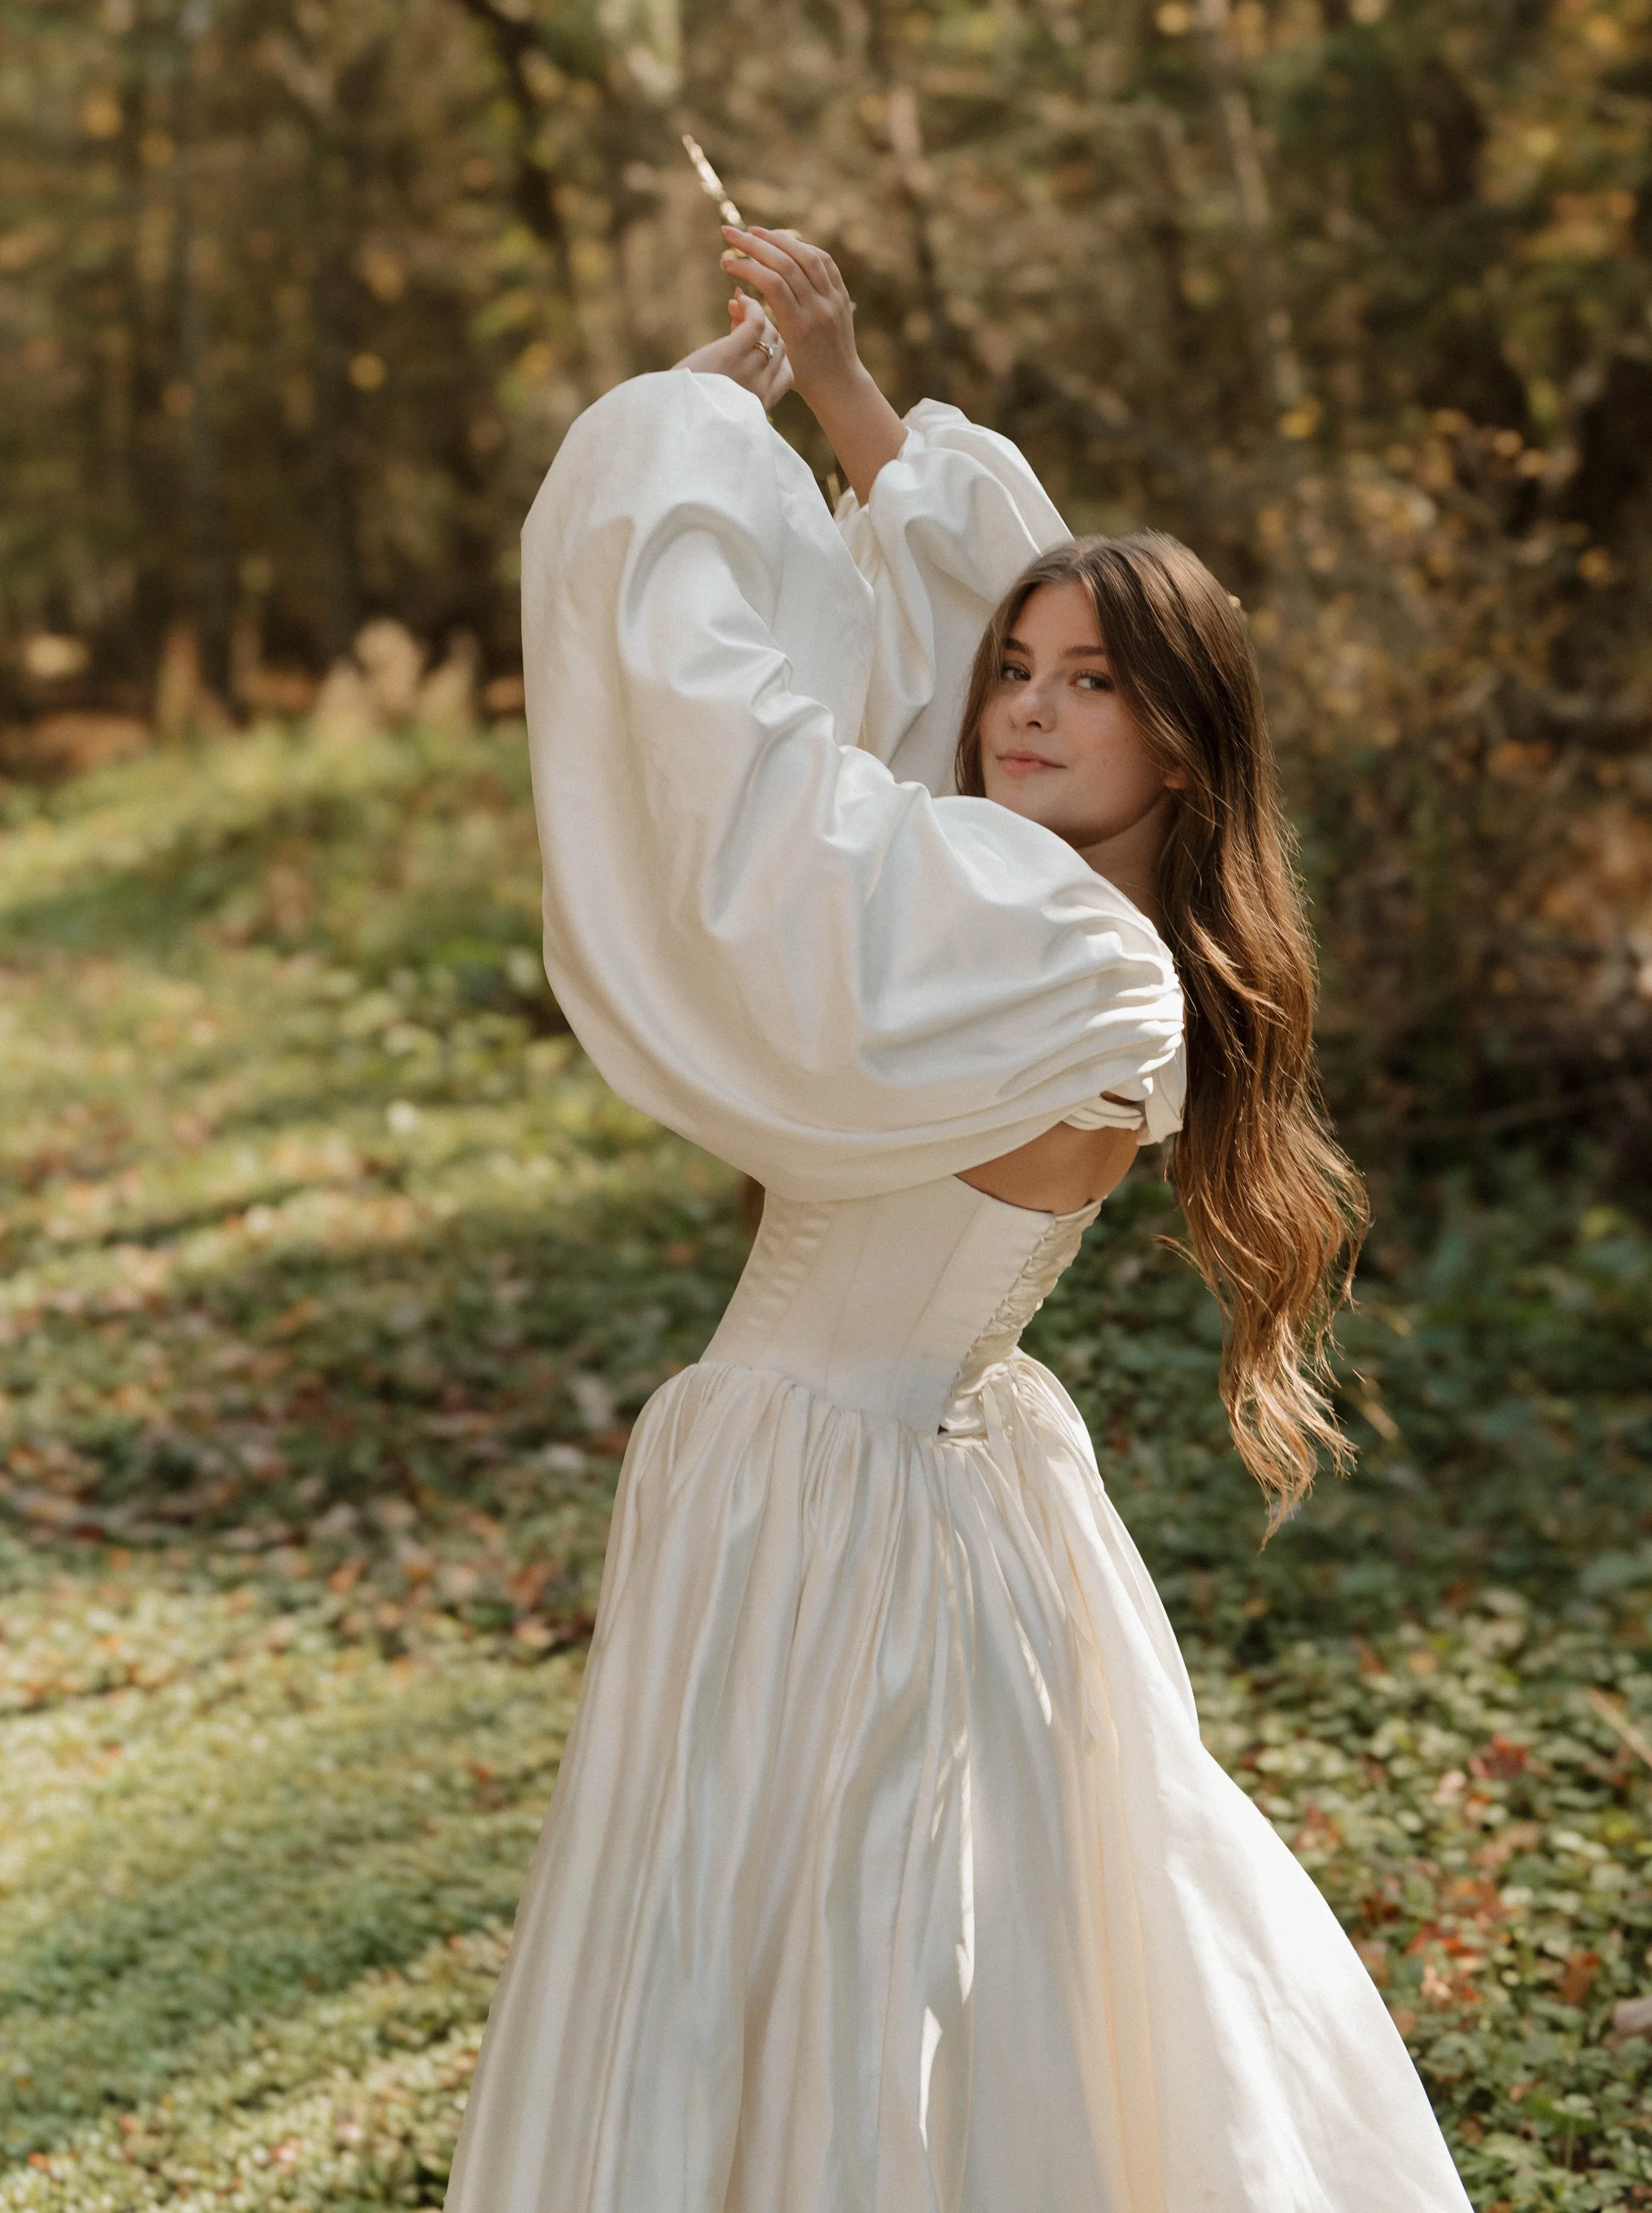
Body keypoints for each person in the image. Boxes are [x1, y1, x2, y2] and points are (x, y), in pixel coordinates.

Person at [443, 235, 1471, 2212]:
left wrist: (676, 452)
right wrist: (836, 387)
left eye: (1089, 687)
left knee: (834, 1942)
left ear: (1178, 737)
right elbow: (939, 683)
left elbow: (760, 802)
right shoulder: (1069, 924)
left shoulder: (1042, 951)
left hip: (826, 1490)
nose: (1017, 706)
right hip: (901, 1471)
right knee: (920, 1935)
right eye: (1015, 668)